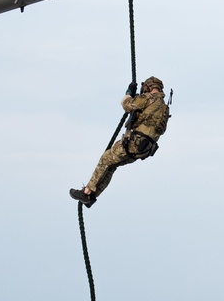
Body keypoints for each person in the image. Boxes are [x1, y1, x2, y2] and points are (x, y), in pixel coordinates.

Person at [70, 77, 170, 206]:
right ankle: (93, 197)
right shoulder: (164, 107)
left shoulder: (150, 98)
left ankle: (87, 192)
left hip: (135, 143)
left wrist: (129, 93)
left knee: (105, 159)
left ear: (148, 87)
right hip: (145, 149)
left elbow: (127, 105)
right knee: (112, 165)